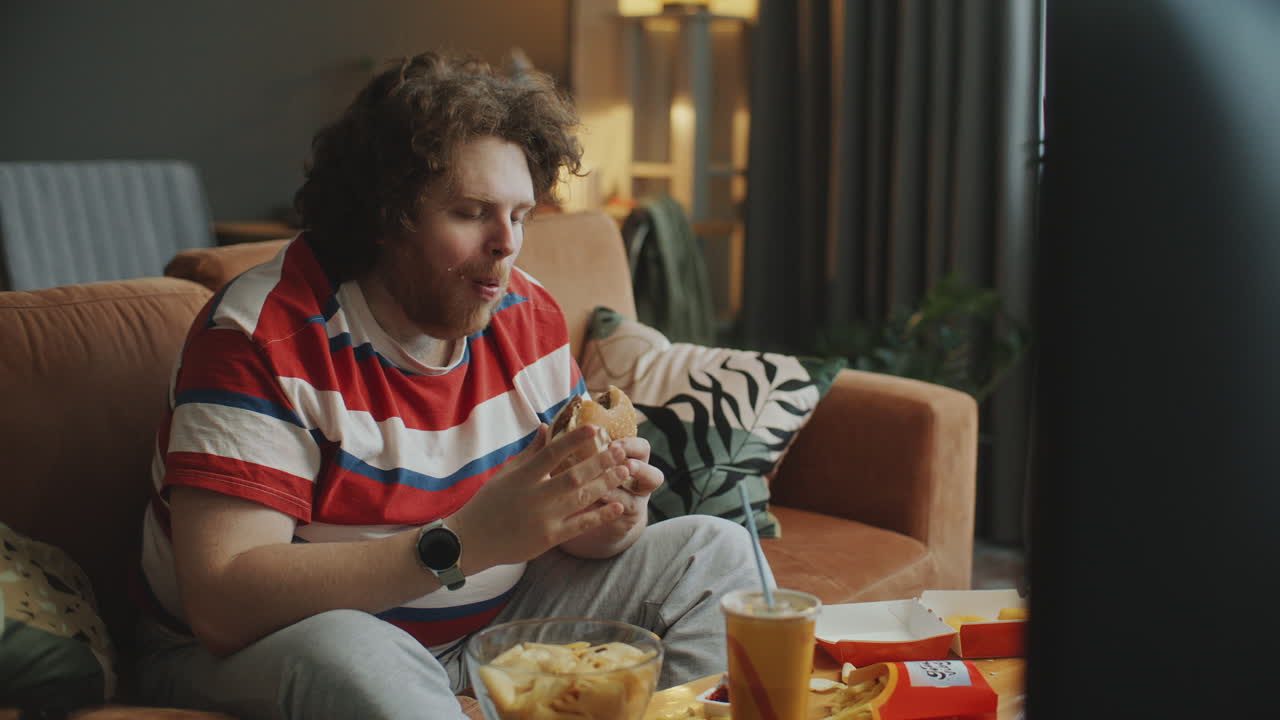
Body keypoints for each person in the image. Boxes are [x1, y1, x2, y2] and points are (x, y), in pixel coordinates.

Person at [132, 52, 766, 719]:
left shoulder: (524, 312)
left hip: (486, 626)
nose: (507, 244)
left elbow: (570, 535)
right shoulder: (264, 337)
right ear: (385, 216)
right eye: (471, 213)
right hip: (263, 650)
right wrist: (465, 543)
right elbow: (224, 603)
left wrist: (612, 512)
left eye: (520, 215)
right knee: (361, 656)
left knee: (716, 554)